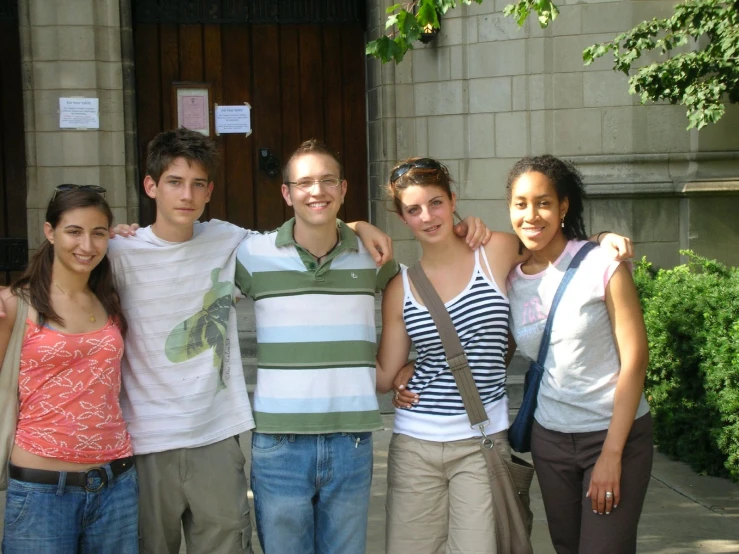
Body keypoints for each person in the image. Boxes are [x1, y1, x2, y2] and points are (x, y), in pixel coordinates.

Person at [105, 129, 397, 554]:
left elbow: (313, 231)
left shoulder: (234, 242)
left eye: (198, 184)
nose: (186, 195)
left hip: (257, 437)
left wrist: (358, 225)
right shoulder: (125, 250)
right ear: (151, 186)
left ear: (210, 192)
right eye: (174, 182)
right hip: (173, 440)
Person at [234, 141, 492, 554]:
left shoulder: (375, 258)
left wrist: (409, 362)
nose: (316, 191)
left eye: (327, 180)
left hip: (351, 441)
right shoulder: (250, 256)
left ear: (343, 188)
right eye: (304, 183)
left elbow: (425, 300)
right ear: (286, 193)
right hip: (279, 443)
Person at [379, 157, 633, 554]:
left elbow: (556, 244)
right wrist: (404, 370)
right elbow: (384, 373)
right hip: (415, 442)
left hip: (481, 441)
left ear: (453, 199)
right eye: (413, 209)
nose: (427, 216)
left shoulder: (494, 250)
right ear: (401, 217)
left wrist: (602, 239)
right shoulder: (401, 286)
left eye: (436, 203)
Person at [505, 155, 652, 554]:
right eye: (520, 203)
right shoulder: (511, 277)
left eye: (544, 202)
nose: (531, 215)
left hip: (612, 432)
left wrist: (611, 454)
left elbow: (636, 358)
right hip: (550, 439)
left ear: (564, 206)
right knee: (567, 547)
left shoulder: (602, 263)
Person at [0, 186, 137, 553]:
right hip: (42, 490)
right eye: (74, 231)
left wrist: (130, 237)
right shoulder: (16, 303)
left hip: (116, 484)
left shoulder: (110, 296)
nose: (87, 246)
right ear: (49, 232)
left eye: (98, 233)